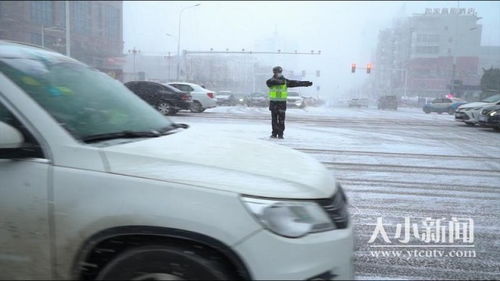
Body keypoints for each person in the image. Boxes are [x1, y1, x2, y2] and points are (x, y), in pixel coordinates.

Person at [266, 66, 313, 139]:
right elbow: (272, 82)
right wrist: (280, 81)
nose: (278, 74)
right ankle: (274, 134)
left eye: (279, 72)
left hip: (282, 103)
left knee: (281, 120)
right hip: (274, 103)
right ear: (274, 73)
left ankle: (281, 134)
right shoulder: (270, 81)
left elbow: (296, 83)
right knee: (274, 120)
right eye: (277, 72)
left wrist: (305, 83)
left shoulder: (285, 81)